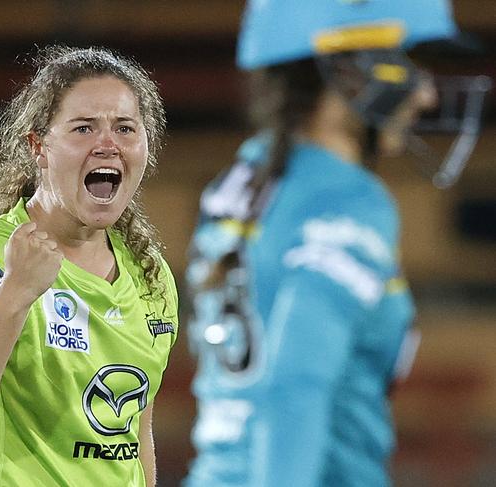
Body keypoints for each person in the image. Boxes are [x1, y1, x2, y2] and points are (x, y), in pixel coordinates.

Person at [184, 1, 490, 486]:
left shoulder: (243, 180)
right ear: (349, 70)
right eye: (403, 61)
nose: (425, 92)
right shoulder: (346, 200)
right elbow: (293, 387)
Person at [0, 45, 178, 487]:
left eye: (125, 128)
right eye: (83, 128)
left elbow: (135, 434)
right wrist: (16, 291)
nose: (107, 143)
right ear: (39, 147)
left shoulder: (149, 273)